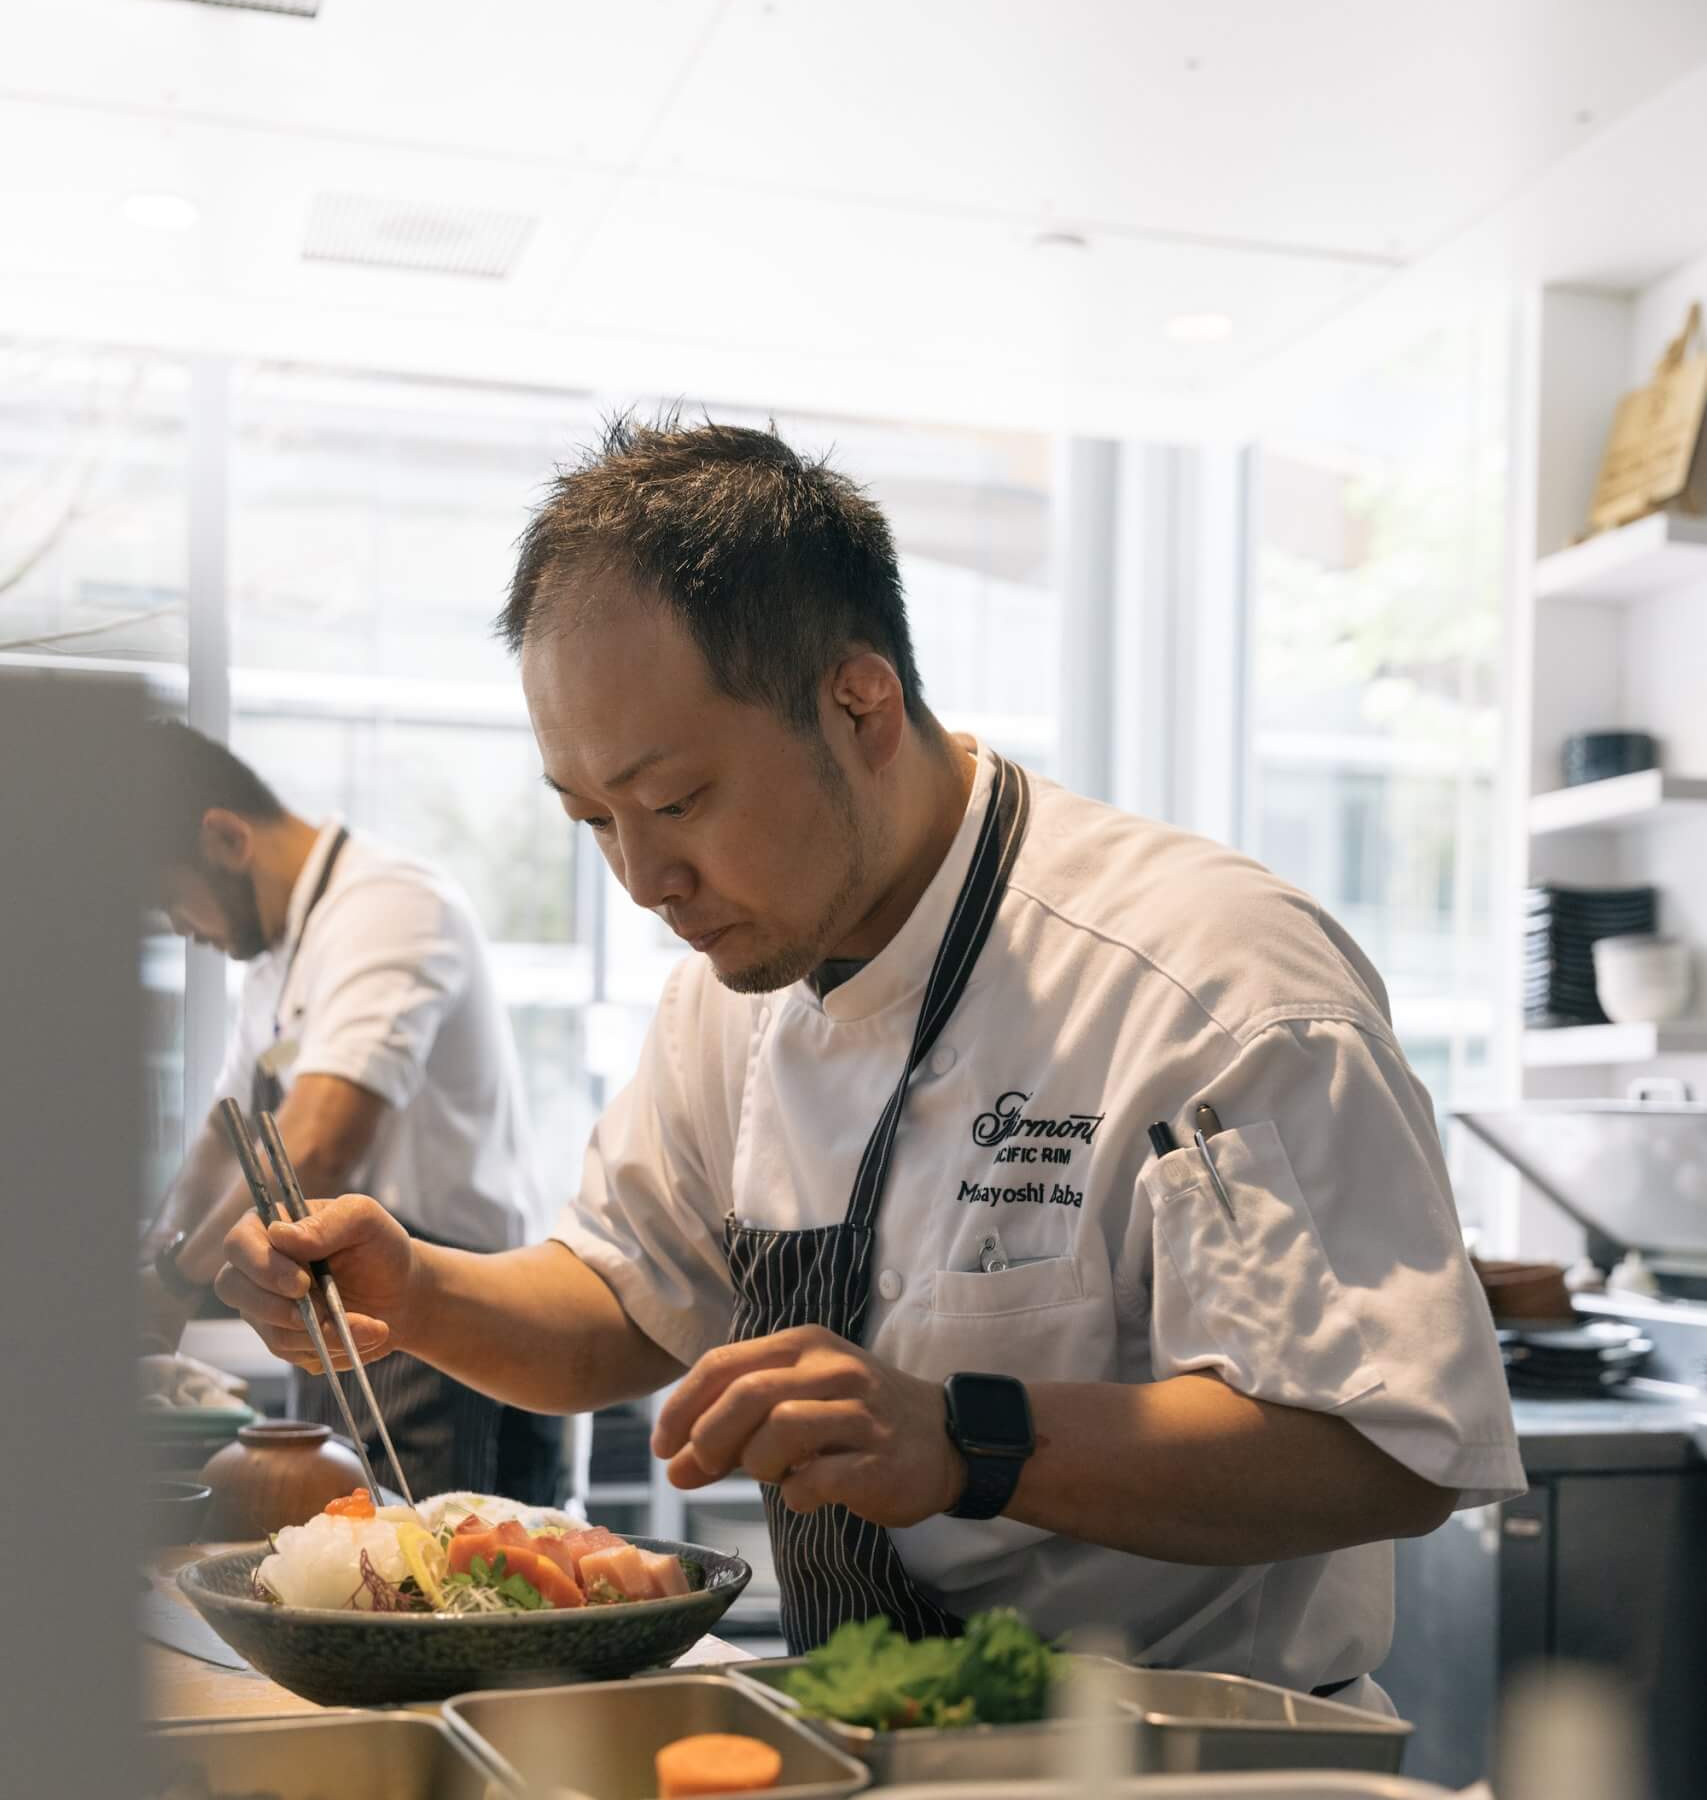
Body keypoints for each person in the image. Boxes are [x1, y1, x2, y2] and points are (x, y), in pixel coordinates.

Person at [218, 417, 1523, 1697]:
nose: (643, 878)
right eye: (591, 818)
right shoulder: (725, 1001)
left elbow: (1382, 1449)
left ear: (859, 704)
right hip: (876, 1733)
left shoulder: (1202, 985)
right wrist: (415, 1288)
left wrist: (965, 1439)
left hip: (1197, 1786)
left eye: (675, 801)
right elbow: (623, 1308)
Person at [141, 726, 562, 1504]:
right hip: (342, 1301)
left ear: (226, 838)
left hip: (443, 1317)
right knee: (343, 1556)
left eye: (170, 900)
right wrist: (153, 1256)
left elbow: (319, 1142)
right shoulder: (279, 956)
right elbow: (220, 1135)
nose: (179, 930)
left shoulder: (390, 907)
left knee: (426, 1592)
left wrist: (174, 1280)